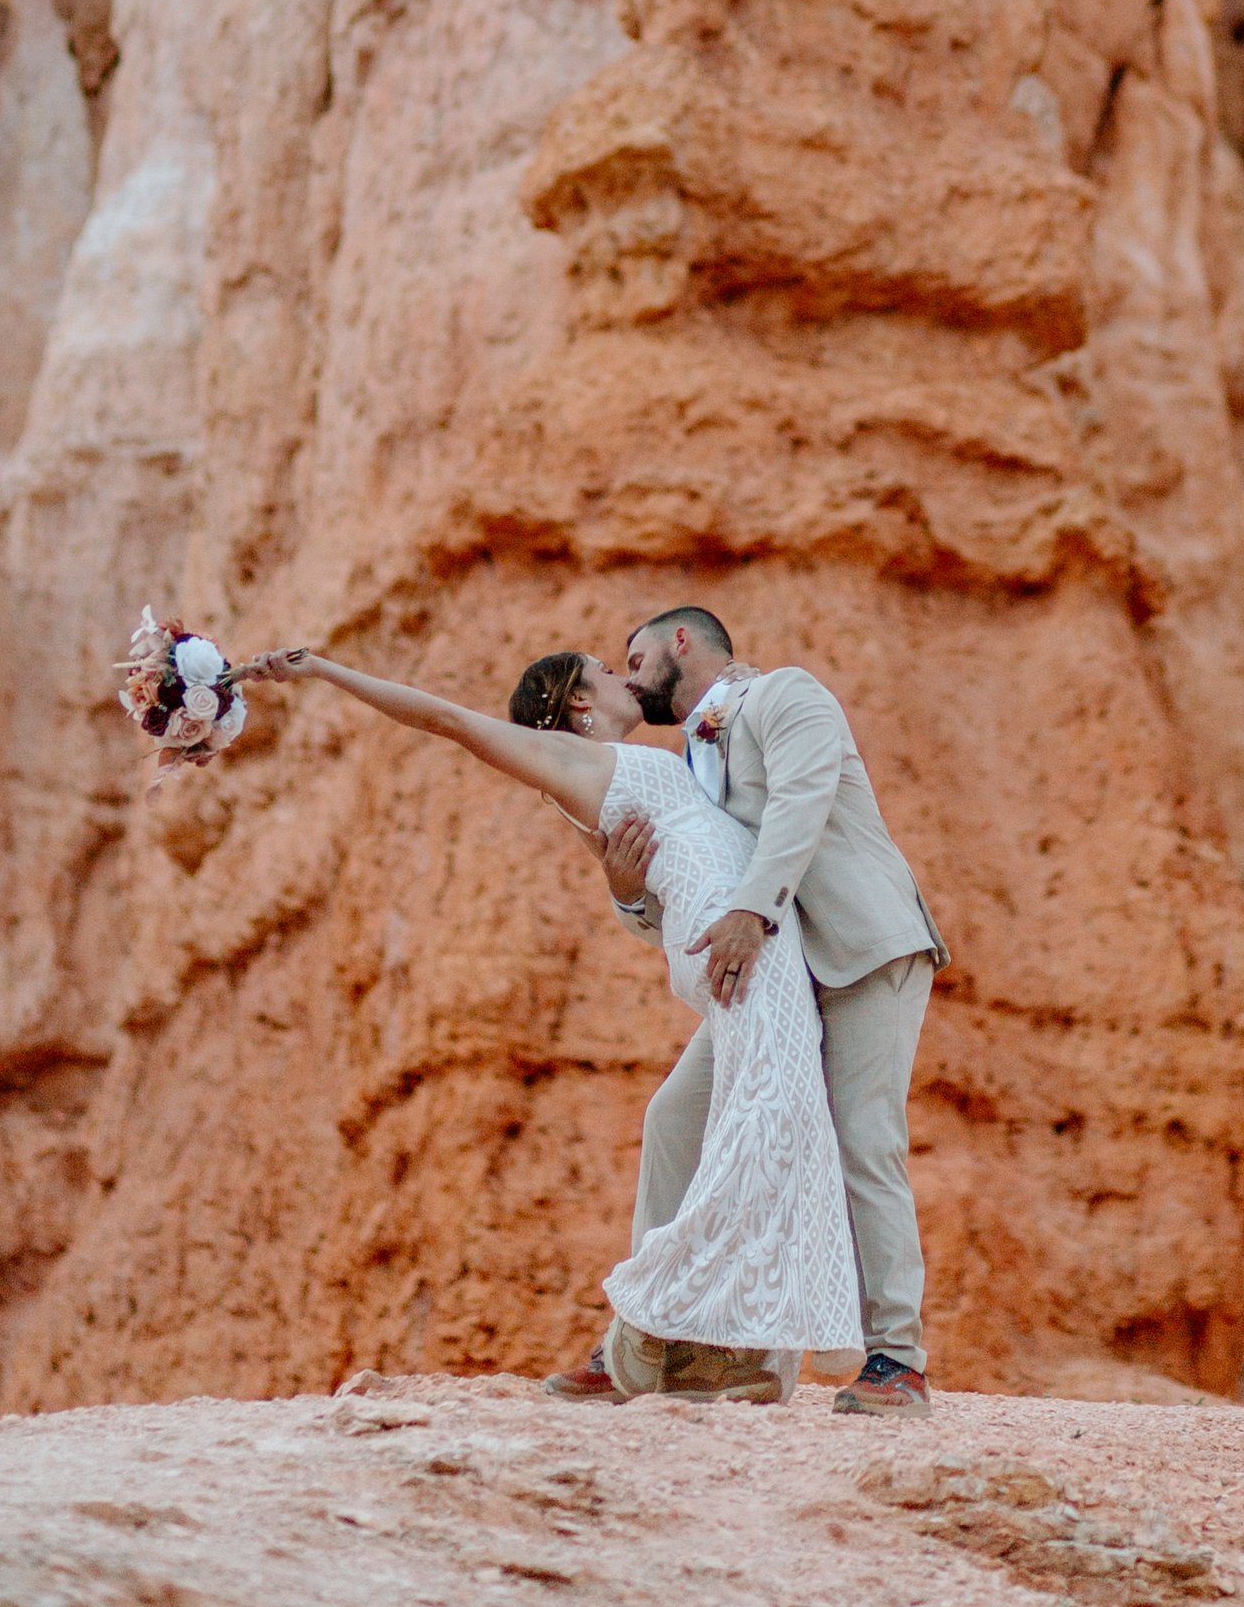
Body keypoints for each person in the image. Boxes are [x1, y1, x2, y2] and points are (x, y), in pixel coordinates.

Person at [251, 639, 861, 1399]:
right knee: (767, 1123)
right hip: (735, 950)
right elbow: (444, 718)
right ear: (578, 703)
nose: (622, 675)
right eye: (607, 672)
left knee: (747, 1120)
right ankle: (651, 1327)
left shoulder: (623, 770)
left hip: (733, 940)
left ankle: (704, 1348)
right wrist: (322, 670)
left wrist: (733, 687)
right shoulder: (574, 763)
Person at [550, 604, 947, 1419]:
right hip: (779, 977)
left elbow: (800, 807)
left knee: (862, 1141)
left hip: (867, 950)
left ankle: (897, 1362)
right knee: (673, 1121)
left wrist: (752, 912)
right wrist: (627, 895)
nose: (626, 676)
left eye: (637, 655)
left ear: (683, 644)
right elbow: (688, 888)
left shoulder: (785, 696)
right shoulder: (689, 761)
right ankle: (647, 1335)